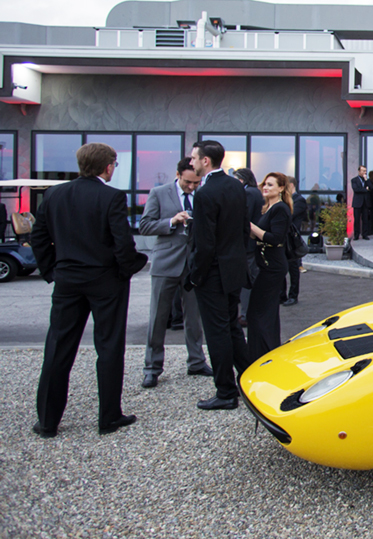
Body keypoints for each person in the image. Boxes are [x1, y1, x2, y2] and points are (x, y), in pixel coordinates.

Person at [30, 142, 147, 438]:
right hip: (106, 281)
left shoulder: (54, 194)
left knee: (57, 346)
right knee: (108, 346)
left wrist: (52, 271)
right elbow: (123, 243)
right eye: (115, 165)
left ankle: (47, 421)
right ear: (107, 166)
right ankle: (108, 417)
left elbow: (39, 238)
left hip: (67, 280)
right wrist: (127, 270)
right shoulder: (111, 197)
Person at [187, 140, 252, 411]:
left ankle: (225, 392)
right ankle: (251, 381)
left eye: (193, 158)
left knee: (217, 333)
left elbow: (205, 243)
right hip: (234, 268)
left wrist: (195, 276)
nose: (190, 163)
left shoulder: (204, 194)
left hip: (213, 272)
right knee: (232, 328)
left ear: (205, 161)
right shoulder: (237, 188)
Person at [138, 157, 211, 389]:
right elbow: (145, 225)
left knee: (194, 318)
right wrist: (172, 220)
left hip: (193, 265)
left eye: (196, 183)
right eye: (188, 182)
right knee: (158, 318)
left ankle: (197, 361)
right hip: (165, 263)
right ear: (178, 175)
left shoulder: (202, 194)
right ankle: (152, 368)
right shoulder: (159, 193)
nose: (192, 187)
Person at [246, 172, 291, 362]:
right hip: (266, 265)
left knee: (259, 312)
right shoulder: (268, 208)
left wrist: (250, 227)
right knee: (264, 312)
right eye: (265, 184)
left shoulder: (280, 208)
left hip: (272, 267)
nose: (265, 187)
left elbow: (276, 238)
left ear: (281, 188)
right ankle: (263, 353)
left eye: (270, 185)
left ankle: (263, 355)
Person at [234, 168, 264, 326]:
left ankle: (245, 315)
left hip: (249, 244)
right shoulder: (255, 192)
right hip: (254, 242)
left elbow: (244, 217)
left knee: (248, 280)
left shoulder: (249, 193)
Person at [281, 177, 308, 306]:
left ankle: (293, 296)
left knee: (293, 269)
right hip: (282, 238)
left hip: (292, 241)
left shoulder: (300, 200)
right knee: (281, 268)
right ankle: (281, 295)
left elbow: (289, 215)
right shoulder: (284, 200)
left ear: (291, 185)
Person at [350, 165, 369, 241]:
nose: (364, 172)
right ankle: (356, 234)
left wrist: (366, 180)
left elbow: (371, 187)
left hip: (365, 202)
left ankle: (365, 234)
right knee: (357, 219)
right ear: (359, 171)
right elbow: (356, 189)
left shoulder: (366, 180)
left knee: (365, 219)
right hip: (357, 202)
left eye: (365, 171)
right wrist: (365, 189)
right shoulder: (354, 180)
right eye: (363, 171)